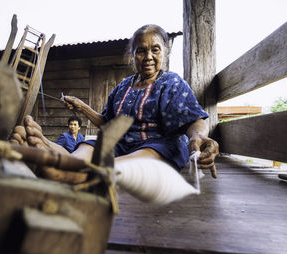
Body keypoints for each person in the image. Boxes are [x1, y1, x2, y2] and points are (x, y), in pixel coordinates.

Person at [12, 24, 219, 185]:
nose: (148, 56)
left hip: (158, 145)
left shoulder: (172, 83)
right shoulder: (123, 87)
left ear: (164, 51)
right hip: (119, 146)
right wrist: (82, 107)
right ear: (133, 55)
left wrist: (198, 136)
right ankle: (66, 162)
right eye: (141, 51)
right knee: (94, 143)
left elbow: (194, 119)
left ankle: (78, 173)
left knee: (150, 153)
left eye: (155, 50)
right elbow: (107, 124)